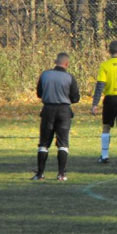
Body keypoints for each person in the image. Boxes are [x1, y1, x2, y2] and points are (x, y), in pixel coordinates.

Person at [32, 52, 80, 181]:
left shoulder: (45, 75)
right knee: (63, 143)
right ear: (66, 63)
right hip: (64, 111)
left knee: (44, 143)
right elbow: (75, 98)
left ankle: (40, 174)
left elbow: (39, 93)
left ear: (55, 61)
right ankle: (61, 174)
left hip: (48, 110)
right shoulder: (69, 78)